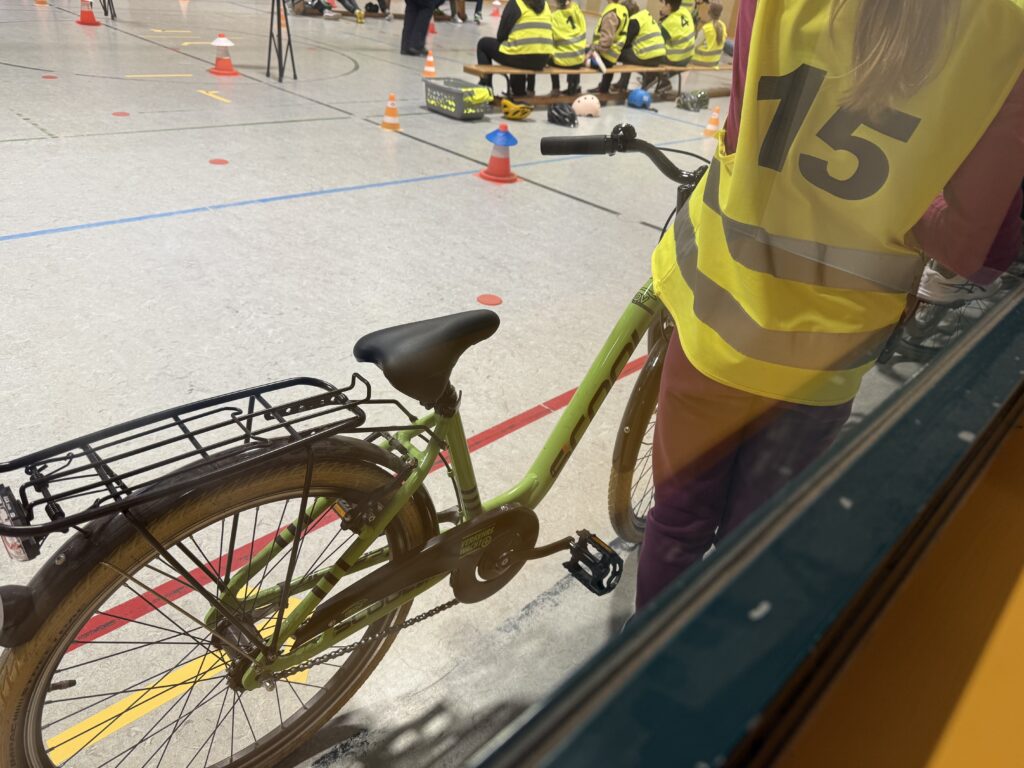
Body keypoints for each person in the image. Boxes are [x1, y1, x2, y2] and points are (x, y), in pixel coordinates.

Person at [635, 0, 1024, 612]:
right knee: (754, 539)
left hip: (720, 316)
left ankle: (645, 658)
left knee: (679, 520)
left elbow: (741, 140)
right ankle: (721, 652)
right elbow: (974, 249)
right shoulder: (1007, 32)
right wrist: (898, 205)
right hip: (828, 353)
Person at [476, 0, 554, 99]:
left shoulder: (516, 3)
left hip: (521, 57)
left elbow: (501, 35)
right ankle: (519, 91)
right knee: (517, 49)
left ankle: (486, 88)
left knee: (483, 44)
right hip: (542, 60)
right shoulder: (546, 5)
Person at [611, 4, 667, 93]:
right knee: (629, 53)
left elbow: (625, 43)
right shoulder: (645, 16)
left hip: (648, 57)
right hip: (659, 57)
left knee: (622, 53)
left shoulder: (634, 20)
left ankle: (621, 84)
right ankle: (622, 84)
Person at [587, 0, 631, 94]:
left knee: (576, 57)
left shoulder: (612, 13)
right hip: (612, 56)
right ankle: (604, 91)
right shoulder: (622, 10)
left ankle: (572, 89)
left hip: (603, 57)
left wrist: (592, 50)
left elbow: (606, 41)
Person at [549, 0, 588, 96]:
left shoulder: (554, 16)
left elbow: (551, 39)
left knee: (549, 58)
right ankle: (573, 86)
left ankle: (555, 88)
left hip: (560, 60)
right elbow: (584, 32)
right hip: (578, 59)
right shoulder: (577, 12)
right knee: (576, 53)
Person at [691, 0, 725, 67]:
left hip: (699, 61)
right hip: (715, 62)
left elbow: (694, 45)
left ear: (708, 12)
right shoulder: (723, 26)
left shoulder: (706, 28)